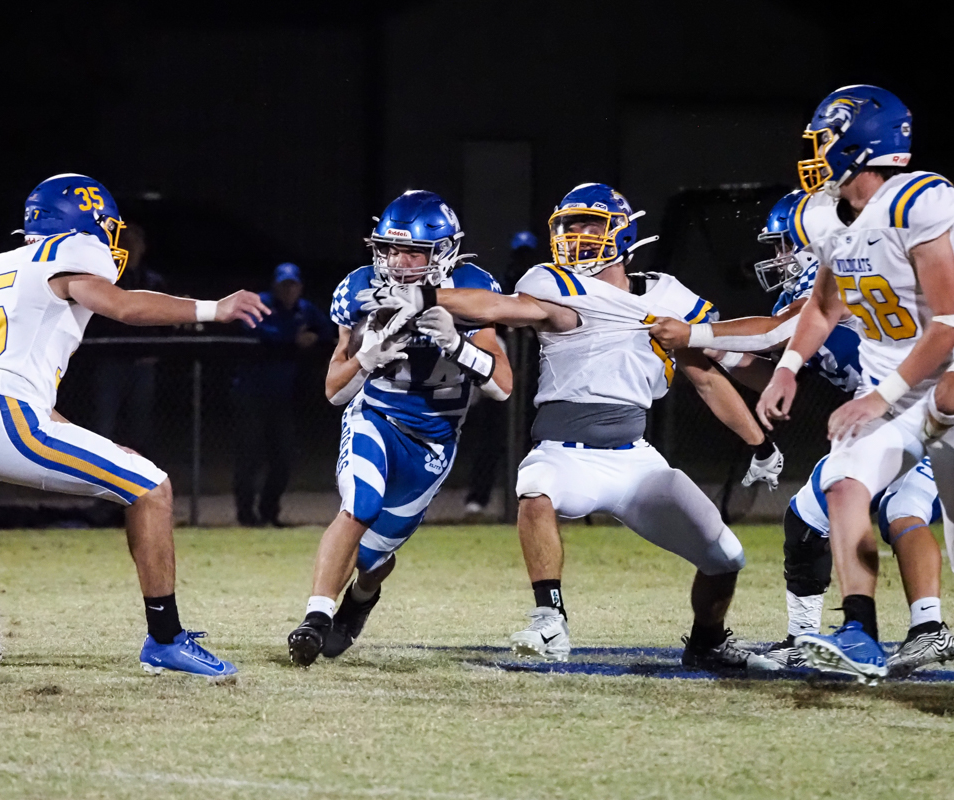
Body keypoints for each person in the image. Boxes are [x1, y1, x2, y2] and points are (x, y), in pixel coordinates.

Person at [365, 183, 781, 671]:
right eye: (569, 225)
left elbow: (709, 375)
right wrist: (424, 294)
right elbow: (500, 307)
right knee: (536, 485)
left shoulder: (669, 296)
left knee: (726, 557)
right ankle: (549, 617)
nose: (577, 234)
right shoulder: (552, 283)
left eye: (590, 224)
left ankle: (707, 642)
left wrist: (761, 441)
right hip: (565, 451)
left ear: (623, 232)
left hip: (636, 459)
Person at [0, 173, 269, 679]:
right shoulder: (73, 251)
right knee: (152, 489)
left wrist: (96, 441)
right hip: (2, 418)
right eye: (105, 224)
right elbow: (124, 306)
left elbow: (14, 375)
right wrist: (213, 309)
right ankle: (165, 639)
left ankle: (163, 637)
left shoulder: (3, 263)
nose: (110, 237)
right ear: (81, 221)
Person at [650, 189, 953, 674]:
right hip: (889, 416)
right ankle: (808, 636)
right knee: (809, 514)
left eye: (785, 246)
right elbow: (770, 367)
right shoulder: (827, 287)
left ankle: (926, 628)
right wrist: (712, 352)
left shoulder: (852, 277)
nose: (779, 258)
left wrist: (695, 333)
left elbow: (774, 330)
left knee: (901, 508)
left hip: (924, 408)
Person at [756, 85, 954, 683]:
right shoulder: (830, 220)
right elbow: (823, 306)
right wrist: (787, 368)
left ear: (858, 142)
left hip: (943, 384)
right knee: (844, 483)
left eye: (825, 138)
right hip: (898, 395)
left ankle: (923, 628)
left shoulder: (919, 200)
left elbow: (947, 323)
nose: (817, 152)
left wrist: (877, 397)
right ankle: (859, 632)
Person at [286, 190, 512, 666]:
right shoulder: (359, 288)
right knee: (359, 506)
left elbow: (503, 387)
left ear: (443, 252)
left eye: (412, 251)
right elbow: (334, 391)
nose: (397, 261)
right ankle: (315, 619)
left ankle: (361, 598)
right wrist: (366, 359)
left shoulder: (473, 287)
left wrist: (457, 345)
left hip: (434, 439)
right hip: (375, 417)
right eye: (390, 248)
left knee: (372, 560)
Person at [232, 262, 335, 527]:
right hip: (251, 393)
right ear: (275, 286)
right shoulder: (260, 304)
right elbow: (254, 329)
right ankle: (246, 515)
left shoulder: (304, 309)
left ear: (300, 287)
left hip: (282, 396)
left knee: (283, 458)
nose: (289, 291)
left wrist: (313, 336)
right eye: (284, 285)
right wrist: (292, 337)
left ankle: (269, 512)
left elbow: (328, 329)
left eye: (293, 285)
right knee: (249, 456)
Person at [463, 232, 535, 516]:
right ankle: (478, 500)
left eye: (527, 254)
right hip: (502, 376)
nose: (523, 260)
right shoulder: (501, 286)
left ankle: (531, 499)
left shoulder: (542, 287)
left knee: (535, 441)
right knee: (490, 439)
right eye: (520, 253)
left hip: (532, 382)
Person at [89, 222, 168, 456]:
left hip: (142, 362)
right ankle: (100, 470)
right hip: (110, 359)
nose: (130, 247)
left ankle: (139, 471)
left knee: (141, 424)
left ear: (143, 246)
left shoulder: (153, 281)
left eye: (135, 242)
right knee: (104, 423)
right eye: (125, 242)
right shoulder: (107, 279)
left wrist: (156, 352)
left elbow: (165, 320)